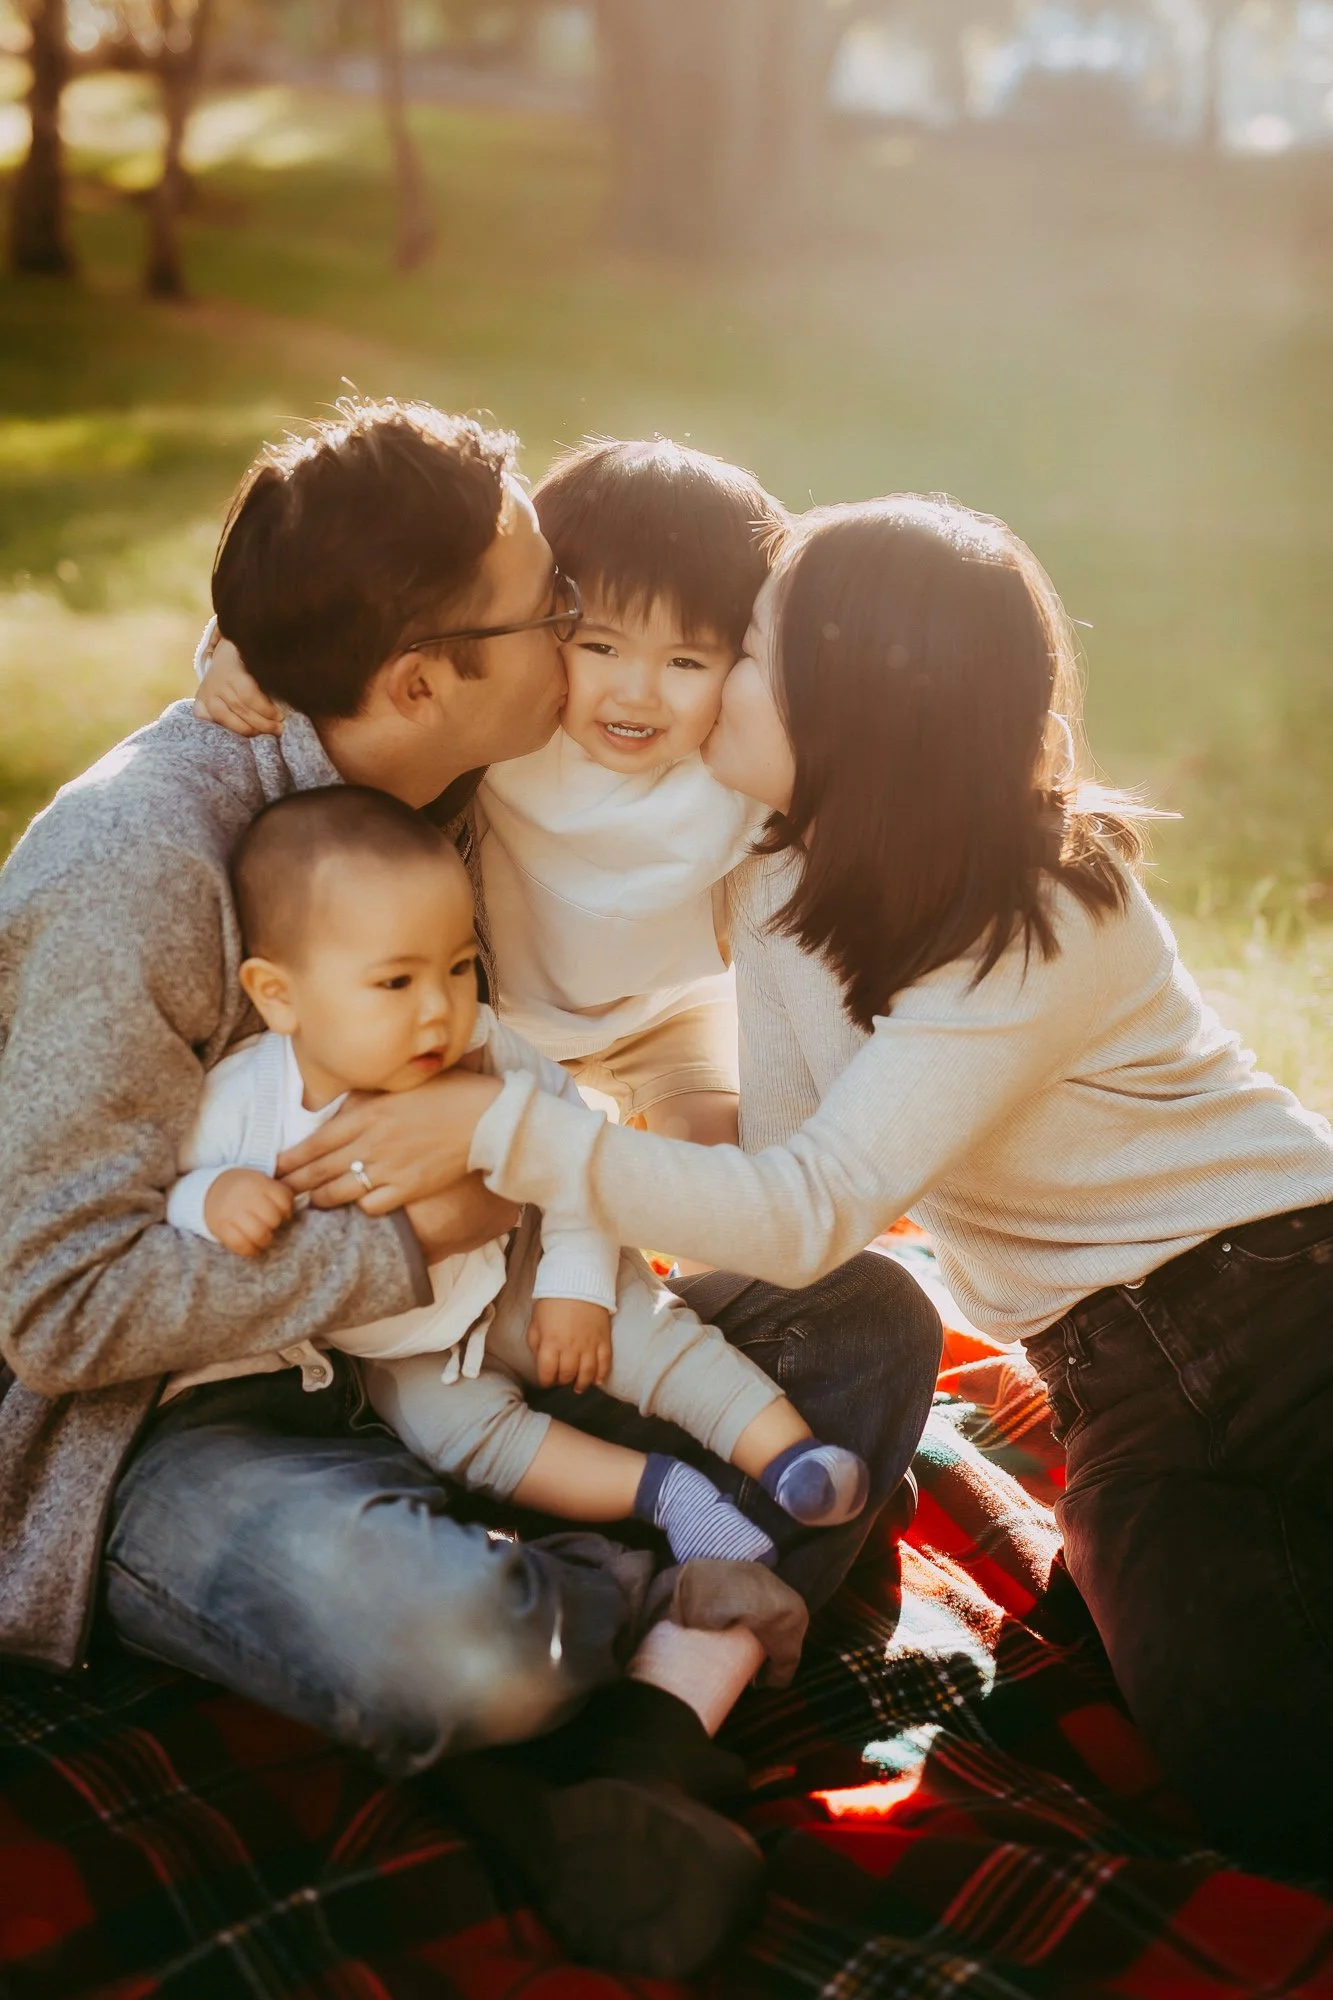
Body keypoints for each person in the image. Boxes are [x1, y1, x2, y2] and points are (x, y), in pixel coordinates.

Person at [0, 403, 943, 1977]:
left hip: (470, 1334)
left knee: (867, 1318)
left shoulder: (443, 774)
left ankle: (628, 1726)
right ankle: (622, 1664)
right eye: (552, 608)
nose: (580, 634)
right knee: (467, 1651)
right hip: (178, 1425)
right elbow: (53, 1311)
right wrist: (418, 1233)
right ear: (427, 675)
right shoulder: (138, 869)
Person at [286, 493, 1333, 1884]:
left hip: (1277, 1292)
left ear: (853, 710)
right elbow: (569, 591)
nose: (714, 682)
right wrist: (259, 670)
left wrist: (511, 1139)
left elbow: (805, 1211)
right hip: (1117, 1385)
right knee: (1263, 1776)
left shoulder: (1044, 904)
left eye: (753, 654)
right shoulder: (780, 867)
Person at [169, 783, 870, 1560]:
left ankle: (786, 1455)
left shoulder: (478, 1042)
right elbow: (175, 1198)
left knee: (650, 1337)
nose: (438, 1007)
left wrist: (573, 1284)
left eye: (460, 966)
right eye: (396, 982)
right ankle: (666, 1494)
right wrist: (214, 1196)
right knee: (465, 1439)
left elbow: (572, 1145)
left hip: (526, 1259)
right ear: (279, 995)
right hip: (406, 1350)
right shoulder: (240, 1102)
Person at [196, 435, 790, 1148]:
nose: (637, 695)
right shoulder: (515, 736)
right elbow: (339, 632)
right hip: (491, 1018)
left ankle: (692, 1257)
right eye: (599, 646)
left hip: (661, 1018)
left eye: (687, 660)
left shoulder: (732, 764)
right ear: (552, 619)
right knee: (485, 1176)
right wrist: (232, 647)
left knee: (713, 1160)